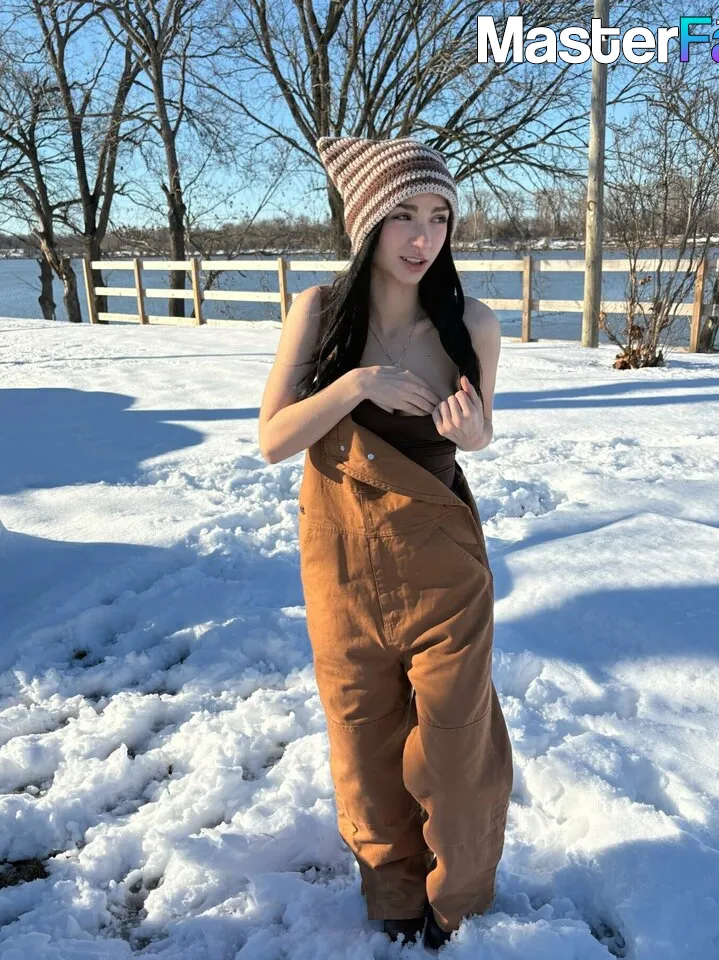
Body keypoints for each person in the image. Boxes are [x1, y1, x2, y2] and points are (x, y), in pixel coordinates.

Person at [258, 135, 513, 951]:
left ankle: (459, 899)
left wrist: (472, 433)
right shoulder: (319, 313)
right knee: (363, 742)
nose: (422, 236)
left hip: (442, 566)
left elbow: (480, 436)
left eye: (439, 217)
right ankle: (394, 894)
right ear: (366, 222)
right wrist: (356, 384)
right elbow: (272, 439)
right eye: (404, 214)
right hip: (341, 563)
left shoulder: (472, 323)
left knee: (456, 751)